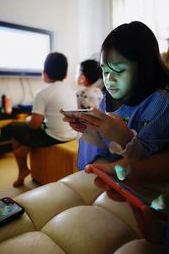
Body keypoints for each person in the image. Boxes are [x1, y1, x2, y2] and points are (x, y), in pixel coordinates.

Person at [61, 21, 169, 175]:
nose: (109, 80)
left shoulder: (159, 102)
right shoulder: (107, 98)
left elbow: (149, 158)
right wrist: (88, 127)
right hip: (103, 168)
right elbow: (101, 143)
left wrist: (123, 136)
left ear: (144, 67)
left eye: (119, 71)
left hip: (135, 175)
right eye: (105, 71)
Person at [3, 52, 78, 187]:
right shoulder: (71, 91)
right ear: (66, 75)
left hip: (55, 137)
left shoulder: (42, 93)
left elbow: (35, 125)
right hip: (72, 134)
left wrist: (28, 119)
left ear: (44, 73)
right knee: (35, 131)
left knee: (14, 128)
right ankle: (22, 151)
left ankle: (22, 168)